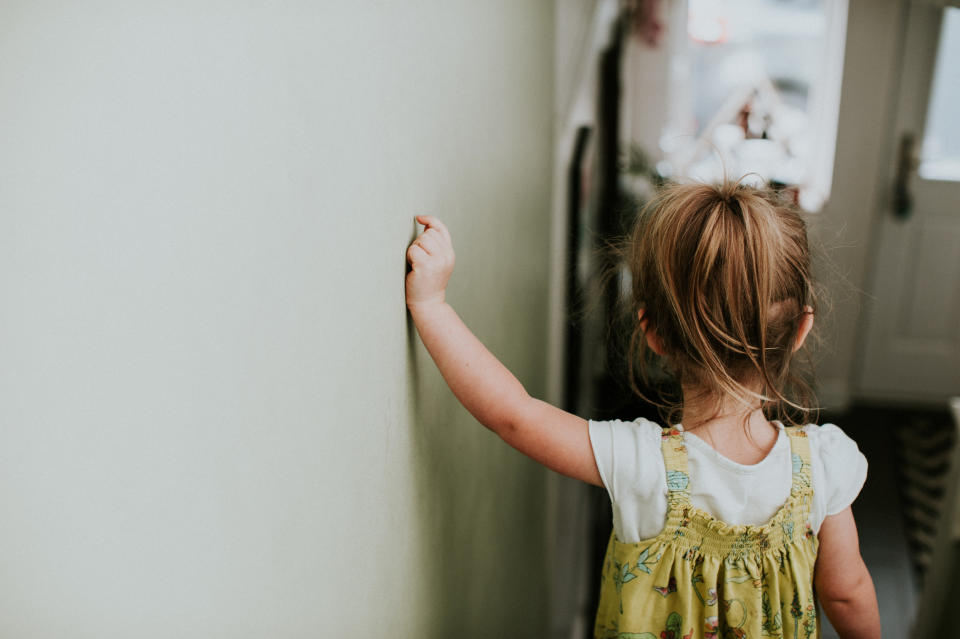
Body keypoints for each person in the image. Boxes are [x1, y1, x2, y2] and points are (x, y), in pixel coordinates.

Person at [405, 181, 881, 638]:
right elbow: (847, 595)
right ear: (800, 331)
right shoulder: (823, 466)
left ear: (652, 333)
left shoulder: (640, 463)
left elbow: (514, 415)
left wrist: (432, 303)